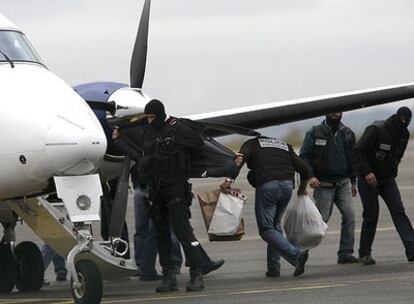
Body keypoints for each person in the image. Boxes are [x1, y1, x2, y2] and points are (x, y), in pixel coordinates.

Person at [113, 99, 224, 293]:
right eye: (146, 117)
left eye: (152, 117)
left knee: (183, 232)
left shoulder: (177, 127)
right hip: (156, 191)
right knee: (162, 235)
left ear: (160, 114)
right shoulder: (148, 132)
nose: (149, 120)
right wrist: (118, 140)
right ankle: (168, 276)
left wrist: (174, 144)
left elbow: (197, 142)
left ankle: (196, 273)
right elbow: (139, 155)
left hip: (175, 189)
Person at [220, 135, 310, 277]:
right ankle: (273, 268)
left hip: (268, 185)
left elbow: (239, 160)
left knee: (266, 229)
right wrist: (302, 188)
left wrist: (228, 181)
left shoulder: (251, 144)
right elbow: (305, 169)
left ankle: (296, 255)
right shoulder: (284, 144)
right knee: (275, 226)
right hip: (287, 186)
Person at [353, 106, 414, 265]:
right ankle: (364, 253)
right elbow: (358, 152)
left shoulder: (404, 135)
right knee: (371, 214)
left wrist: (392, 171)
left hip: (386, 179)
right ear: (396, 117)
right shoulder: (376, 129)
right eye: (402, 119)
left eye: (407, 121)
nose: (404, 123)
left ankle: (412, 249)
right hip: (368, 179)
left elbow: (397, 156)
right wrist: (367, 172)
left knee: (398, 211)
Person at [299, 112, 359, 264]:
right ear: (326, 113)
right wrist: (310, 176)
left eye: (338, 111)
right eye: (332, 111)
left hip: (343, 183)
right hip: (323, 185)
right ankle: (300, 252)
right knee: (320, 221)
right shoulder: (314, 132)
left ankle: (345, 253)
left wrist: (353, 182)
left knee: (350, 216)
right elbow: (304, 156)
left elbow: (353, 158)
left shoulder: (347, 133)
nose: (335, 114)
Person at [131, 165, 182, 280]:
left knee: (158, 229)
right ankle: (144, 266)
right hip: (144, 186)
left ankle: (169, 264)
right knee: (144, 230)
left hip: (156, 186)